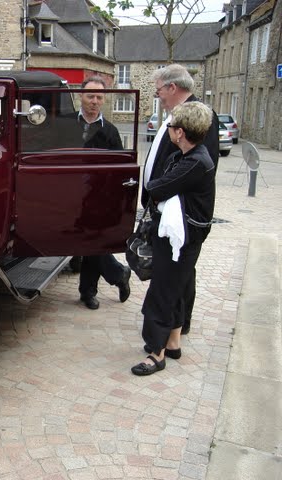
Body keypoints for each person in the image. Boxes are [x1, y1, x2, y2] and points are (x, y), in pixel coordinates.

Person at [132, 101, 216, 376]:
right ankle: (174, 342)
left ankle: (156, 353)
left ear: (180, 132)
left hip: (182, 239)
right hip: (180, 236)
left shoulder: (194, 162)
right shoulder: (185, 157)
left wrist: (159, 189)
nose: (168, 130)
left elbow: (156, 188)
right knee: (176, 288)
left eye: (171, 126)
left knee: (162, 291)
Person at [143, 64, 219, 334]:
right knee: (176, 273)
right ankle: (174, 327)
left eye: (159, 90)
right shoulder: (174, 114)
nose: (158, 95)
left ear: (172, 87)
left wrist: (159, 190)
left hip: (182, 217)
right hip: (166, 208)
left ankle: (178, 324)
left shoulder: (198, 115)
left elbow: (197, 170)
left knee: (180, 273)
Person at [69, 76, 131, 310]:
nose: (94, 101)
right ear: (80, 96)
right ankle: (118, 274)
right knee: (87, 243)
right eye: (90, 96)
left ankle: (88, 292)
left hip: (98, 199)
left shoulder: (111, 132)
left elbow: (118, 171)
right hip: (70, 197)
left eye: (99, 97)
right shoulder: (66, 125)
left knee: (91, 243)